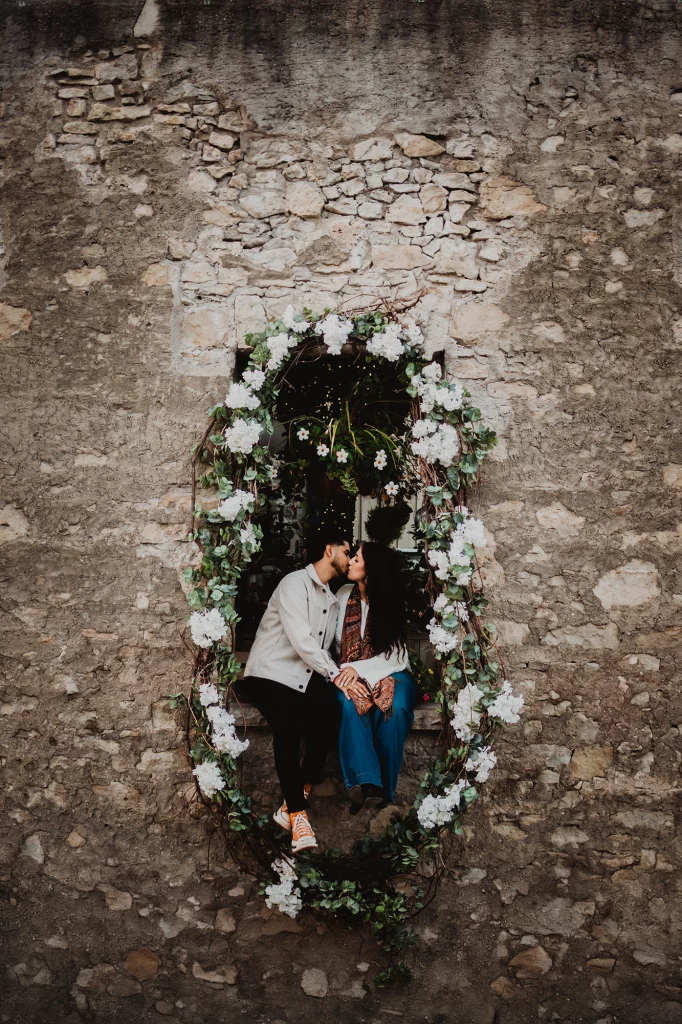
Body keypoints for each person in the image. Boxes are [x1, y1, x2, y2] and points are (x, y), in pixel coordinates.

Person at [236, 529, 351, 853]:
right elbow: (302, 641)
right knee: (285, 726)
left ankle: (294, 799)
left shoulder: (331, 597)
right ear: (330, 550)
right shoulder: (293, 584)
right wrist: (334, 673)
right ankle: (299, 818)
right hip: (270, 673)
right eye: (346, 551)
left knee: (331, 709)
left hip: (303, 677)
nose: (349, 558)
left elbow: (329, 649)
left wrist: (345, 675)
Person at [333, 542, 419, 810]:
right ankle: (367, 782)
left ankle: (383, 788)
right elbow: (330, 644)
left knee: (396, 707)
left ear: (371, 569)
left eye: (356, 558)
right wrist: (342, 674)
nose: (350, 561)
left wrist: (357, 670)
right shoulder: (343, 595)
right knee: (349, 703)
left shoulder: (391, 601)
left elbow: (396, 657)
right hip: (346, 672)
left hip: (392, 671)